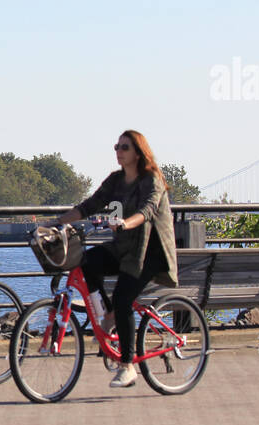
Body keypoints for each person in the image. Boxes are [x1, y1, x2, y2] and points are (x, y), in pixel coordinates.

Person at [54, 129, 178, 388]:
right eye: (116, 147)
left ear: (138, 152)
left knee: (123, 299)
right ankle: (109, 316)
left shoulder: (151, 179)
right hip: (123, 248)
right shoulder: (115, 180)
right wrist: (57, 223)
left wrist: (124, 223)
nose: (118, 152)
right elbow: (91, 204)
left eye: (124, 148)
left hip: (149, 252)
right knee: (86, 261)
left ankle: (127, 366)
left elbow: (147, 210)